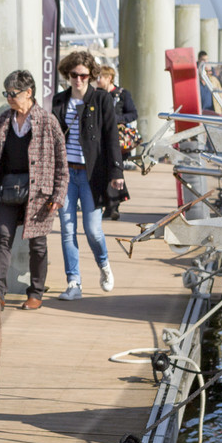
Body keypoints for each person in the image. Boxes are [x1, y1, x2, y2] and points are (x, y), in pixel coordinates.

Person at [0, 70, 67, 310]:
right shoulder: (4, 120)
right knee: (2, 238)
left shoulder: (48, 121)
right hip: (7, 189)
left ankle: (35, 293)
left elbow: (61, 162)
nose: (9, 98)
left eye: (13, 93)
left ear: (29, 92)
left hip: (39, 193)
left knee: (38, 244)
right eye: (6, 93)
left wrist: (58, 194)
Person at [51, 51, 124, 298]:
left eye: (83, 75)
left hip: (92, 175)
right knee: (67, 229)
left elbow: (111, 137)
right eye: (74, 75)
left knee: (92, 229)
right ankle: (74, 283)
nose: (79, 79)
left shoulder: (101, 99)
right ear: (67, 75)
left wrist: (116, 171)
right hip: (66, 175)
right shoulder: (59, 101)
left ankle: (104, 264)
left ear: (91, 75)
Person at [96, 64, 137, 218]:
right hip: (99, 140)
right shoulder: (95, 94)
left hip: (117, 141)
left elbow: (133, 114)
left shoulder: (122, 94)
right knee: (103, 171)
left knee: (114, 169)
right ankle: (110, 205)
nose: (98, 80)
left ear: (110, 78)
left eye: (101, 77)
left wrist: (117, 119)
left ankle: (113, 205)